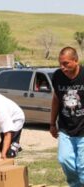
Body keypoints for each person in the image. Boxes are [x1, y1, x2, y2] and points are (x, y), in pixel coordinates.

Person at [50, 46, 84, 187]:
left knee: (83, 165)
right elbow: (56, 99)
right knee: (64, 159)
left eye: (66, 63)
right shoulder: (57, 76)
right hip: (65, 127)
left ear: (76, 61)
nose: (62, 67)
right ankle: (75, 184)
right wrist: (52, 123)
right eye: (60, 63)